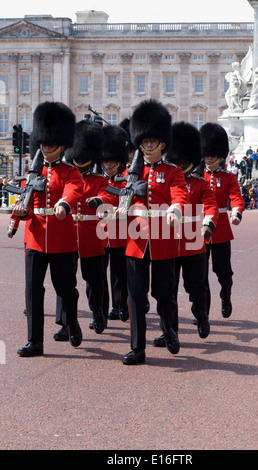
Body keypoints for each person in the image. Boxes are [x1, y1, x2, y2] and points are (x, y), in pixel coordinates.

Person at [13, 101, 84, 357]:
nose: (46, 147)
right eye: (43, 143)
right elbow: (27, 202)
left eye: (50, 144)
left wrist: (65, 205)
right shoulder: (34, 171)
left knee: (65, 288)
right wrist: (21, 212)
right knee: (33, 291)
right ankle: (35, 341)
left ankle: (72, 321)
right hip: (34, 238)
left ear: (61, 146)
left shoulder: (70, 171)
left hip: (61, 239)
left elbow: (74, 191)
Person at [122, 99, 189, 365]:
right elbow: (123, 198)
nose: (148, 145)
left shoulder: (172, 172)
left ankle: (169, 329)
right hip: (137, 240)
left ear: (162, 143)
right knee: (135, 296)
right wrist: (121, 208)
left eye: (153, 141)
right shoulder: (131, 173)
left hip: (162, 238)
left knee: (165, 293)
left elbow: (179, 194)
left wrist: (175, 210)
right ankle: (137, 347)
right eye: (144, 141)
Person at [153, 121, 219, 347]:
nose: (180, 165)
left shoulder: (200, 184)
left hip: (193, 241)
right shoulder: (166, 179)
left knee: (196, 286)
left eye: (184, 161)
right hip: (169, 242)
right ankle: (169, 330)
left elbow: (210, 206)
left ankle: (201, 316)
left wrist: (208, 224)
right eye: (177, 161)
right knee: (167, 291)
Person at [54, 119, 109, 341]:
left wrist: (99, 200)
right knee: (64, 281)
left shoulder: (98, 180)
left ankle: (98, 312)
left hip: (90, 234)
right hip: (67, 232)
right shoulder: (65, 176)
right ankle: (66, 323)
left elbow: (107, 195)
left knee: (94, 279)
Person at [200, 122, 245, 319]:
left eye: (211, 154)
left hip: (221, 230)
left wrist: (236, 212)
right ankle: (203, 312)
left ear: (219, 155)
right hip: (200, 230)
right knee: (200, 275)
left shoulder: (228, 177)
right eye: (206, 154)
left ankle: (225, 294)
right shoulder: (197, 176)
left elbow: (236, 197)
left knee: (223, 272)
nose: (208, 157)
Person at [100, 124, 129, 323]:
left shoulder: (126, 179)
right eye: (105, 160)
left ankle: (121, 306)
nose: (108, 164)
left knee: (120, 272)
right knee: (101, 274)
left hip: (122, 232)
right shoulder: (99, 179)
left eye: (111, 161)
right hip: (102, 232)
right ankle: (105, 308)